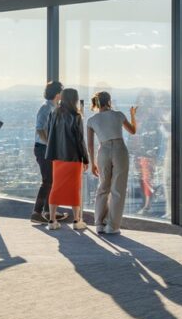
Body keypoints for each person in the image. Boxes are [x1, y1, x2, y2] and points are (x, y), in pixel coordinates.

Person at [87, 91, 137, 234]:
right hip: (119, 149)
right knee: (118, 189)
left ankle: (99, 224)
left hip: (103, 150)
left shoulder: (91, 120)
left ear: (96, 103)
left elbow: (90, 145)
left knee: (103, 187)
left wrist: (92, 163)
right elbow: (133, 131)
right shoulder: (118, 115)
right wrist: (133, 115)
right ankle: (112, 226)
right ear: (109, 101)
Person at [44, 88, 89, 231]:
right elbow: (80, 140)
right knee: (74, 188)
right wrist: (85, 158)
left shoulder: (54, 113)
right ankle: (77, 221)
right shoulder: (76, 116)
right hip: (73, 157)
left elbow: (50, 134)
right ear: (74, 99)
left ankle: (52, 221)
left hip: (57, 157)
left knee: (56, 187)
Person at [30, 81, 67, 224]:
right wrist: (50, 144)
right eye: (61, 93)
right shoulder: (46, 108)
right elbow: (40, 128)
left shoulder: (53, 108)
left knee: (51, 181)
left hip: (46, 148)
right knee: (47, 181)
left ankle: (47, 212)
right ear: (57, 94)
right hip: (43, 148)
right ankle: (37, 212)